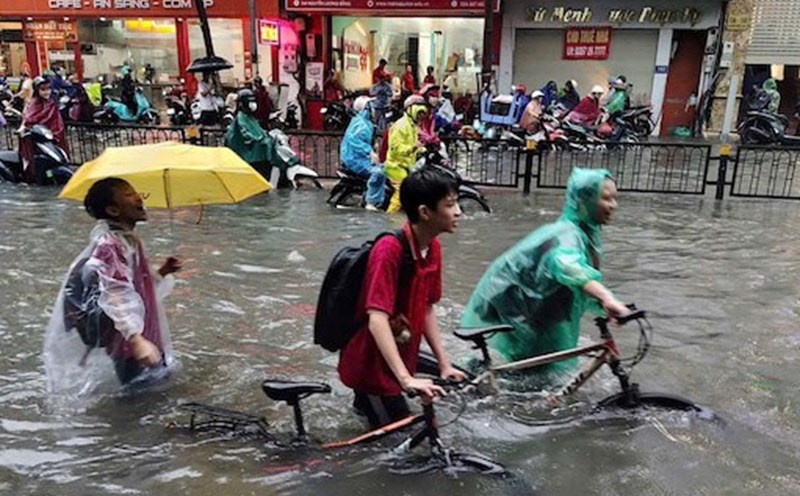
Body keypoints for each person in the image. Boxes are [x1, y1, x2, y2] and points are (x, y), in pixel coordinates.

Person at [460, 168, 628, 381]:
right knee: (535, 377)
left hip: (536, 309)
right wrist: (606, 297)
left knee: (542, 374)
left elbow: (578, 284)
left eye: (615, 198)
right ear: (585, 200)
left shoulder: (582, 233)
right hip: (516, 307)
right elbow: (569, 267)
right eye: (605, 198)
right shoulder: (567, 234)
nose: (613, 205)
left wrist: (608, 305)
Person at [338, 167, 465, 429]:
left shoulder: (433, 248)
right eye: (450, 205)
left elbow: (427, 307)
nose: (458, 212)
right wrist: (406, 379)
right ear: (425, 212)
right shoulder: (390, 250)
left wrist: (444, 364)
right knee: (399, 442)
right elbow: (377, 318)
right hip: (372, 367)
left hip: (396, 361)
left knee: (384, 432)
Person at [43, 178, 182, 391]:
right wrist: (136, 340)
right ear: (113, 209)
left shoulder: (129, 240)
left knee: (158, 389)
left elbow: (137, 287)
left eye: (136, 192)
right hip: (130, 343)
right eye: (128, 194)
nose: (138, 197)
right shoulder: (111, 246)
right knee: (139, 399)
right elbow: (114, 293)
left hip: (144, 335)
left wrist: (163, 271)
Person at [225, 88, 295, 183]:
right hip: (253, 157)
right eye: (250, 101)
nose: (253, 104)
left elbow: (259, 130)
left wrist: (269, 135)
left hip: (260, 155)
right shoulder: (241, 119)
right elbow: (247, 135)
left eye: (254, 101)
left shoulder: (250, 118)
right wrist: (262, 140)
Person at [384, 95, 429, 214]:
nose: (420, 117)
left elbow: (412, 145)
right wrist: (414, 147)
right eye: (418, 113)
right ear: (410, 110)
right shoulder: (400, 126)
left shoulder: (413, 126)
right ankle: (390, 217)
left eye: (422, 114)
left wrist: (422, 150)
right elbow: (396, 149)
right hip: (395, 167)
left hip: (406, 166)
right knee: (401, 194)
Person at [341, 95, 386, 211]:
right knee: (379, 172)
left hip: (360, 158)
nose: (375, 110)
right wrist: (369, 152)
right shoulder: (361, 124)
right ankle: (371, 202)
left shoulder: (365, 123)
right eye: (372, 107)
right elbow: (354, 140)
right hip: (354, 159)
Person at [19, 76, 68, 183]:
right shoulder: (34, 103)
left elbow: (57, 122)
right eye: (43, 89)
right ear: (37, 90)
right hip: (38, 139)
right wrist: (25, 128)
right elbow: (29, 119)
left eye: (48, 89)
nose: (47, 92)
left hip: (53, 137)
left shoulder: (51, 103)